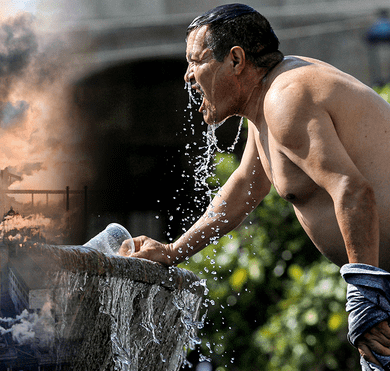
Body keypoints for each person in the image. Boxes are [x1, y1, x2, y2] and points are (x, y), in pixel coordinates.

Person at [119, 4, 390, 370]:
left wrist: (366, 298)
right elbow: (245, 186)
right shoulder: (270, 101)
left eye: (195, 61)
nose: (187, 76)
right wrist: (172, 251)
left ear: (235, 60)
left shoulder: (286, 98)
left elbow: (352, 189)